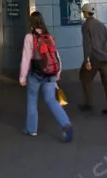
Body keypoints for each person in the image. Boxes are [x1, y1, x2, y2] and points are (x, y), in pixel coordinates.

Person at [19, 11, 73, 142]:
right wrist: (58, 72)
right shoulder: (48, 36)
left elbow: (26, 58)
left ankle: (32, 130)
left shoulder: (29, 37)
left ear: (31, 22)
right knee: (51, 100)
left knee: (32, 100)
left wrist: (22, 77)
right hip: (50, 73)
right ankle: (65, 124)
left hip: (36, 74)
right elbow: (56, 56)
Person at [79, 3, 107, 116]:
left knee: (84, 78)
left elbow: (87, 44)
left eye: (83, 12)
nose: (83, 14)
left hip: (94, 58)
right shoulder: (101, 24)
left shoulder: (86, 26)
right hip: (105, 58)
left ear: (86, 13)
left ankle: (89, 103)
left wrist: (87, 61)